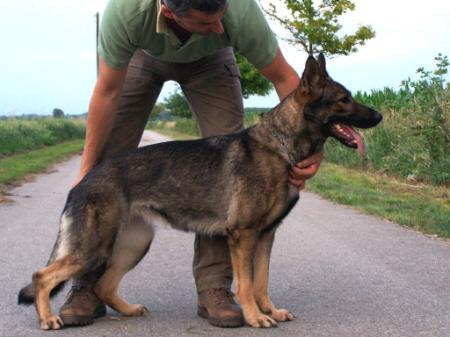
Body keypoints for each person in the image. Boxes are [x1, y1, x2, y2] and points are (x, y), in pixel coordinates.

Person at [59, 0, 324, 328]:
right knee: (106, 167)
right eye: (205, 23)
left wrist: (310, 152)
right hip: (143, 56)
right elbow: (108, 91)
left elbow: (286, 80)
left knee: (233, 170)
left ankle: (215, 288)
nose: (216, 27)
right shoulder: (126, 12)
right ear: (168, 11)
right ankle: (87, 286)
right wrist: (86, 169)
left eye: (219, 18)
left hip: (211, 62)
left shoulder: (238, 12)